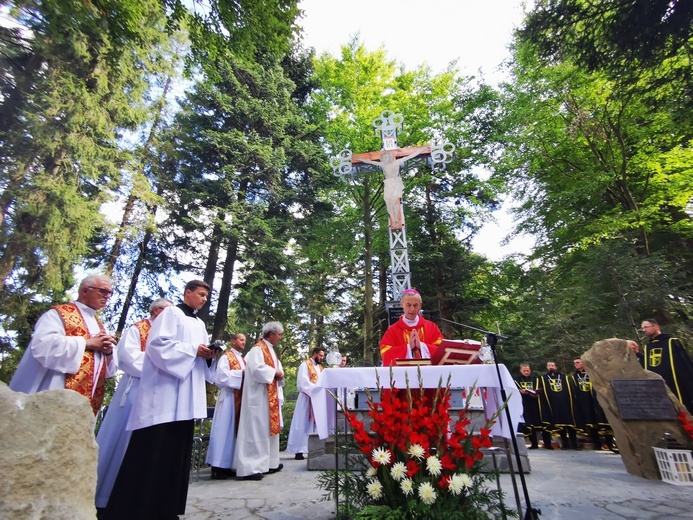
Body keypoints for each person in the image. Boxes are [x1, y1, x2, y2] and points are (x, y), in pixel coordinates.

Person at [101, 280, 217, 520]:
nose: (204, 299)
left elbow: (201, 356)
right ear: (188, 293)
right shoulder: (171, 313)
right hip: (165, 395)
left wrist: (209, 355)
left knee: (175, 456)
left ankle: (166, 509)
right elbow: (157, 346)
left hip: (186, 399)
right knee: (153, 451)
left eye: (207, 296)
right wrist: (192, 351)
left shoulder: (200, 323)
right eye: (201, 294)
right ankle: (136, 510)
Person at [94, 298, 172, 508]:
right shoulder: (138, 329)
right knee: (122, 440)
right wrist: (161, 363)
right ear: (158, 311)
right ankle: (106, 497)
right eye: (169, 313)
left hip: (159, 392)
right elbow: (127, 358)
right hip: (135, 390)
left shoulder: (166, 335)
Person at [10, 274, 117, 415]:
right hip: (54, 386)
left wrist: (108, 352)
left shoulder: (99, 326)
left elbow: (108, 372)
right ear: (85, 291)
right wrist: (86, 343)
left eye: (110, 293)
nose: (107, 296)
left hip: (85, 400)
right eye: (103, 291)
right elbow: (43, 345)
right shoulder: (59, 314)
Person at [234, 322, 286, 480]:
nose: (280, 338)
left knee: (266, 430)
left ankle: (269, 463)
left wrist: (279, 373)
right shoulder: (258, 348)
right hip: (258, 397)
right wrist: (274, 372)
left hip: (268, 396)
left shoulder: (270, 350)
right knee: (255, 430)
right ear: (271, 333)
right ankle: (250, 468)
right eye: (279, 334)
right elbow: (256, 369)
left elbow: (275, 369)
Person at [206, 333, 247, 480]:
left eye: (244, 341)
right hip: (229, 397)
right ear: (233, 341)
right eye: (241, 340)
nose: (243, 342)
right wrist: (241, 374)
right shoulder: (226, 357)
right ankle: (216, 466)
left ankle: (228, 465)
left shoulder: (242, 360)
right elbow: (221, 377)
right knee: (223, 431)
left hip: (240, 398)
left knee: (233, 434)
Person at [355, 147, 427, 229]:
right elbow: (370, 162)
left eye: (386, 156)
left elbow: (409, 156)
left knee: (394, 201)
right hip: (388, 184)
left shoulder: (396, 162)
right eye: (383, 157)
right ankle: (393, 217)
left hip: (395, 183)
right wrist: (359, 159)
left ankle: (396, 218)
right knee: (388, 201)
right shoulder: (383, 164)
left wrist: (421, 150)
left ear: (389, 156)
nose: (385, 158)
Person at [379, 288, 443, 366]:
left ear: (420, 305)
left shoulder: (431, 327)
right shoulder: (393, 330)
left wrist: (422, 346)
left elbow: (442, 352)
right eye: (408, 305)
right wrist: (408, 347)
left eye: (415, 305)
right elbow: (385, 354)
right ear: (401, 304)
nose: (412, 309)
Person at [641, 318, 693, 412]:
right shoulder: (648, 347)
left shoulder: (671, 342)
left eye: (646, 327)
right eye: (642, 328)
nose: (644, 330)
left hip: (673, 382)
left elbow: (683, 364)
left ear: (656, 326)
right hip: (656, 385)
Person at [286, 346, 325, 460]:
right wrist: (315, 390)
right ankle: (299, 450)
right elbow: (303, 382)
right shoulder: (305, 365)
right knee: (302, 423)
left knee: (314, 424)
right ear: (314, 354)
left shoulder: (320, 368)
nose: (322, 358)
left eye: (323, 356)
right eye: (320, 355)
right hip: (306, 399)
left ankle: (311, 449)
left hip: (316, 399)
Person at [572, 358, 616, 452]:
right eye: (574, 363)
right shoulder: (574, 376)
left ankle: (609, 443)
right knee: (590, 422)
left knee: (603, 421)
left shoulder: (593, 372)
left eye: (578, 362)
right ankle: (597, 443)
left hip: (597, 399)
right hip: (585, 401)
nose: (576, 364)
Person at [536, 361, 581, 450]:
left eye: (552, 365)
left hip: (566, 404)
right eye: (549, 366)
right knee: (560, 426)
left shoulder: (564, 377)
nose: (551, 367)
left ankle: (574, 444)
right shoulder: (543, 378)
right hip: (554, 405)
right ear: (547, 367)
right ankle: (565, 444)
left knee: (570, 425)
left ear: (556, 367)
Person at [515, 363, 542, 449]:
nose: (526, 372)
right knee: (526, 423)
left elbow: (539, 389)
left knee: (535, 423)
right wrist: (520, 391)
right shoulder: (517, 380)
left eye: (528, 370)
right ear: (521, 371)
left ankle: (536, 443)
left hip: (534, 404)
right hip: (523, 404)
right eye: (524, 371)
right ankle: (530, 443)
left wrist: (536, 393)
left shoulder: (535, 379)